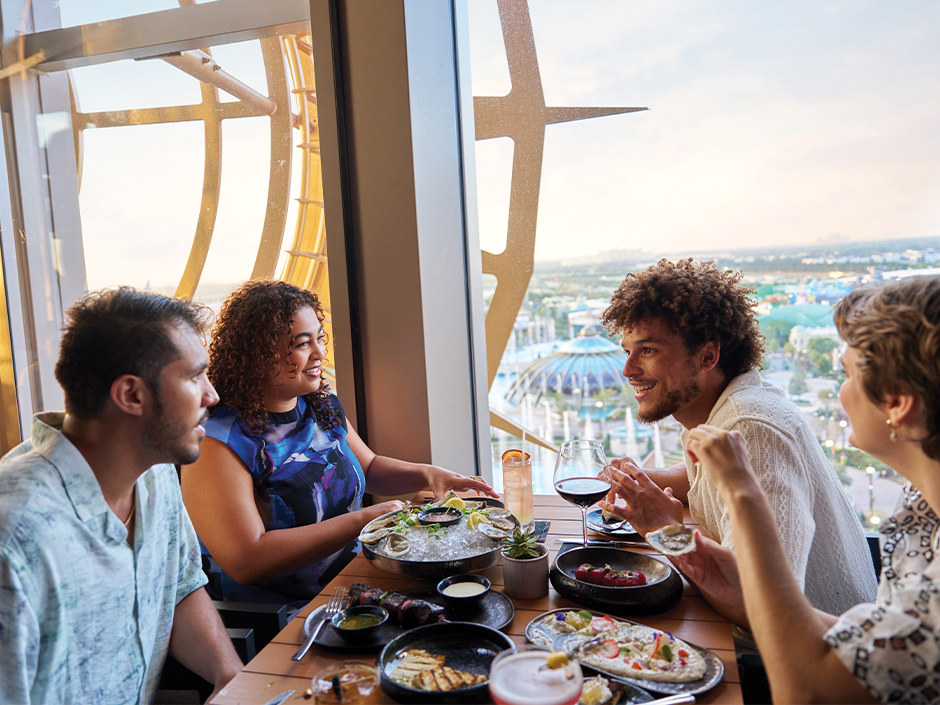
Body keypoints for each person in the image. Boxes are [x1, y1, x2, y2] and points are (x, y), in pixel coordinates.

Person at [676, 275, 940, 702]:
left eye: (847, 374)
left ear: (896, 402)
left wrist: (744, 495)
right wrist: (728, 581)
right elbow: (883, 648)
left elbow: (803, 694)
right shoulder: (923, 504)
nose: (842, 393)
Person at [181, 280, 496, 605]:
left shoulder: (319, 403)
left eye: (319, 337)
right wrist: (362, 520)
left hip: (356, 587)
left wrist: (428, 474)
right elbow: (247, 560)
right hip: (284, 617)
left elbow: (369, 467)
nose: (320, 352)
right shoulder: (218, 443)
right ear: (258, 354)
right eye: (303, 344)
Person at [0, 287, 243, 704]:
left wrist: (231, 678)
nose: (212, 395)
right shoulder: (16, 537)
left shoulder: (156, 470)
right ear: (132, 395)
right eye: (193, 376)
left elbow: (179, 588)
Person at [598, 259, 875, 622]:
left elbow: (760, 608)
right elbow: (711, 479)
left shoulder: (750, 426)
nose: (628, 369)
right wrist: (641, 483)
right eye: (627, 351)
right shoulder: (721, 409)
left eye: (648, 350)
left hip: (814, 659)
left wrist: (663, 531)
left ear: (708, 356)